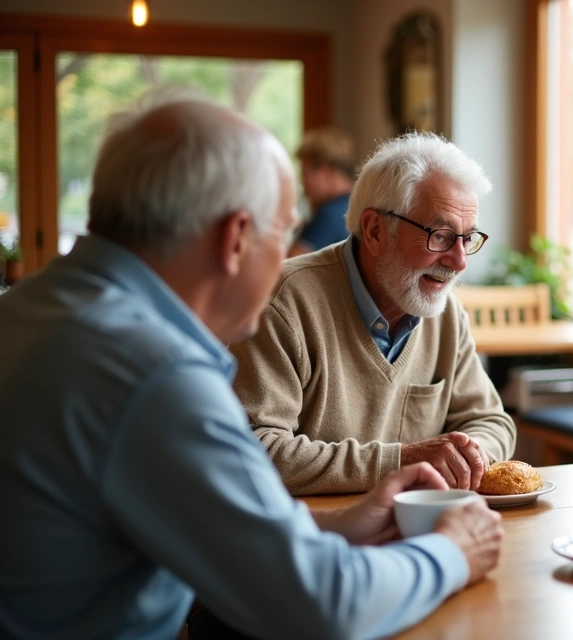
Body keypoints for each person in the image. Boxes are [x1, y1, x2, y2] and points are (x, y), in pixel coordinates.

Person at [0, 92, 503, 639]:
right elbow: (322, 605)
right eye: (284, 232)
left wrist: (335, 524)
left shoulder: (29, 310)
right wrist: (452, 552)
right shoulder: (156, 374)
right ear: (237, 238)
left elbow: (193, 517)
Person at [230, 132, 515, 495]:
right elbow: (255, 449)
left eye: (467, 238)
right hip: (315, 534)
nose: (459, 262)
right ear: (376, 230)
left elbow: (491, 420)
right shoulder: (284, 302)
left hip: (417, 527)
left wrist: (467, 458)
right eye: (440, 235)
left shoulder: (445, 314)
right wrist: (401, 463)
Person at [290, 126, 355, 256]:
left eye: (305, 173)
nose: (303, 183)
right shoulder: (356, 205)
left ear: (324, 171)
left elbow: (286, 270)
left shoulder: (329, 216)